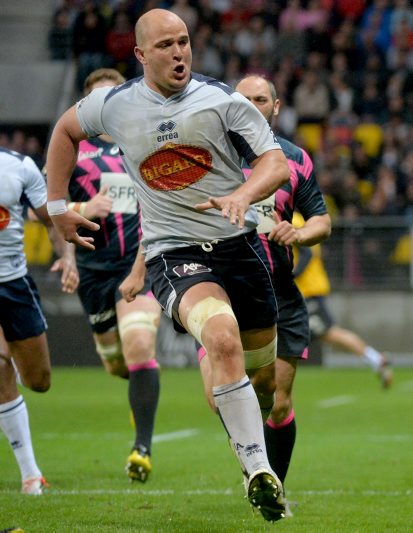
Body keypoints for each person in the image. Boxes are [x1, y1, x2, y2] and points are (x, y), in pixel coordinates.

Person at [45, 8, 291, 522]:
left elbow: (275, 161)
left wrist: (243, 195)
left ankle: (251, 435)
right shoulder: (112, 104)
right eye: (165, 46)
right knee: (220, 337)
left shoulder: (222, 99)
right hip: (172, 253)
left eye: (184, 42)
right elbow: (65, 132)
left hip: (238, 249)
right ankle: (256, 472)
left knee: (266, 383)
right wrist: (56, 206)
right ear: (140, 55)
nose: (179, 52)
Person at [198, 74, 331, 515]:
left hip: (278, 292)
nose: (252, 105)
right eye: (244, 99)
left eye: (260, 99)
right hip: (220, 289)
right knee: (220, 399)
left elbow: (322, 222)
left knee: (277, 400)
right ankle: (255, 466)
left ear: (275, 107)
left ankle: (271, 490)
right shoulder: (210, 152)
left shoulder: (293, 160)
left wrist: (298, 231)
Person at [66, 68, 162, 483]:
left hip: (137, 266)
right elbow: (44, 212)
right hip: (92, 274)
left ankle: (142, 448)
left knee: (140, 343)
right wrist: (84, 211)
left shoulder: (145, 144)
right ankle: (135, 388)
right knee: (117, 366)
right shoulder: (71, 152)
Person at [0, 146, 78, 495]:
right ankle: (31, 475)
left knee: (39, 380)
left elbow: (53, 219)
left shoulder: (19, 166)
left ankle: (10, 366)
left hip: (15, 285)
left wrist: (68, 258)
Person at [292, 212, 393, 388]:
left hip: (307, 290)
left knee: (329, 333)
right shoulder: (300, 219)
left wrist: (290, 276)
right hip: (308, 289)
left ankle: (376, 359)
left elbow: (307, 254)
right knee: (325, 335)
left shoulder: (292, 220)